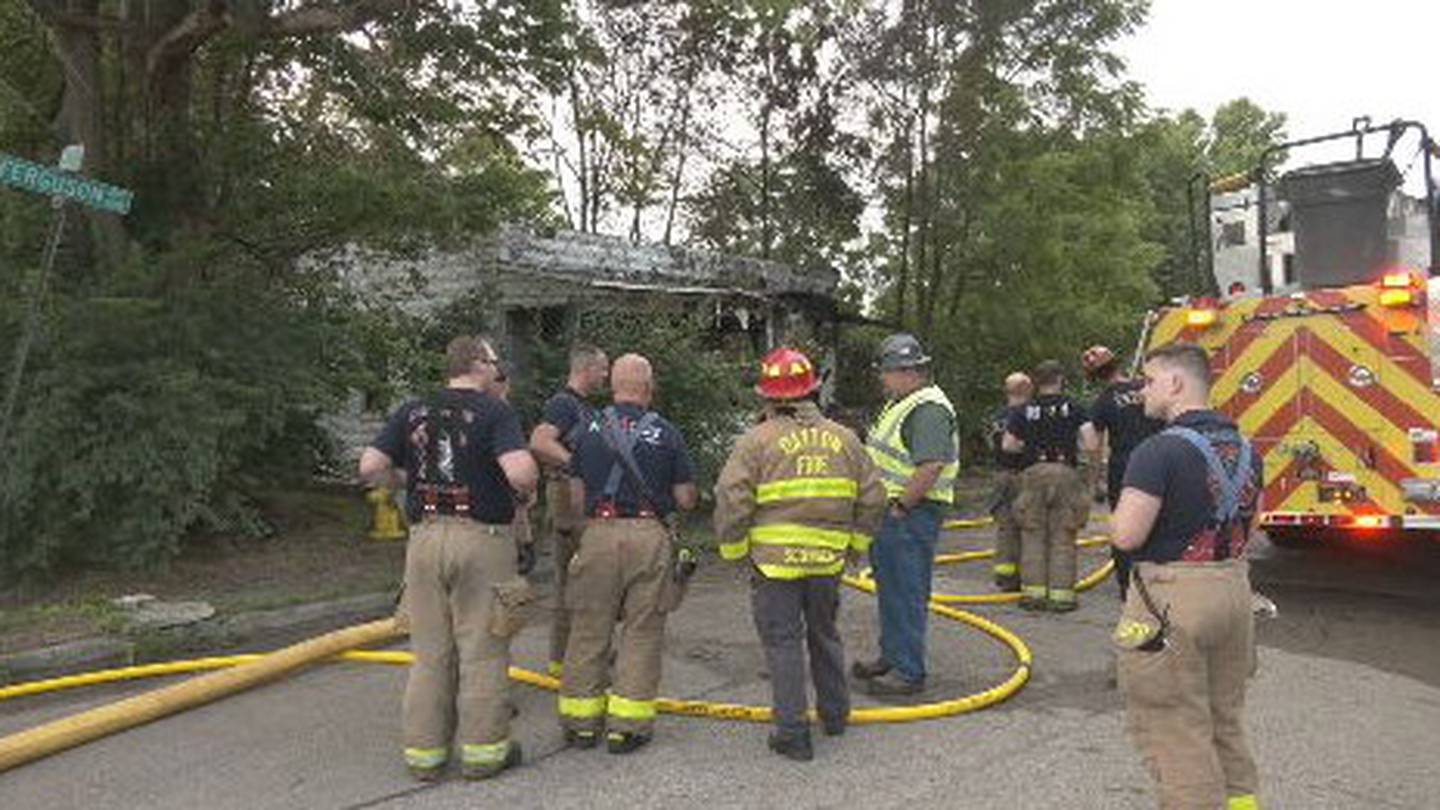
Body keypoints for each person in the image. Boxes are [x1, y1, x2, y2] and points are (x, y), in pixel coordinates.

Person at [358, 336, 538, 782]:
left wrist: (408, 479)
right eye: (494, 362)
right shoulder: (495, 412)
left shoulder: (413, 409)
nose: (498, 370)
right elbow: (519, 472)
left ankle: (425, 755)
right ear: (478, 364)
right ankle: (483, 754)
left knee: (430, 652)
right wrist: (525, 485)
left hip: (423, 540)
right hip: (481, 539)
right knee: (482, 648)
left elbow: (369, 467)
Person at [714, 347, 886, 761]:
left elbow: (732, 498)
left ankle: (792, 732)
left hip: (774, 565)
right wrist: (855, 547)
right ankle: (836, 714)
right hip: (827, 562)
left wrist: (736, 551)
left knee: (783, 641)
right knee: (825, 634)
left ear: (767, 396)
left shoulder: (756, 441)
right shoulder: (845, 439)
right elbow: (874, 497)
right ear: (813, 389)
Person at [1111, 342, 1263, 810]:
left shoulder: (1156, 451)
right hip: (1234, 591)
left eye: (1150, 381)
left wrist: (1111, 513)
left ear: (1176, 383)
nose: (1142, 392)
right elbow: (1252, 526)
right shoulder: (1246, 447)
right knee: (1225, 719)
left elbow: (1127, 536)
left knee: (1175, 728)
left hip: (1173, 599)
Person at [558, 354, 698, 754]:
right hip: (648, 536)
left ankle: (580, 724)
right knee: (642, 629)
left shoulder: (587, 429)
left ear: (613, 385)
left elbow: (577, 494)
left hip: (598, 534)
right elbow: (686, 499)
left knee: (588, 628)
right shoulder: (667, 433)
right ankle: (626, 727)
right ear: (649, 388)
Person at [854, 333, 959, 696]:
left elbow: (930, 466)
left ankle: (908, 671)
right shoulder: (905, 402)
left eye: (885, 371)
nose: (881, 378)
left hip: (909, 514)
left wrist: (901, 507)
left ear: (904, 371)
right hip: (896, 513)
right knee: (892, 589)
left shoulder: (926, 409)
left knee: (906, 592)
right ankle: (892, 657)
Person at [529, 344, 610, 677]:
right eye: (602, 368)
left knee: (589, 576)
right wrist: (579, 465)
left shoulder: (585, 407)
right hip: (566, 497)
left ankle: (582, 652)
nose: (606, 375)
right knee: (571, 578)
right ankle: (563, 660)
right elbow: (540, 441)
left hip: (581, 496)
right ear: (586, 369)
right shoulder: (563, 404)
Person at [1003, 360, 1098, 612]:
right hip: (1066, 473)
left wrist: (1030, 447)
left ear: (1035, 382)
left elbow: (1008, 446)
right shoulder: (1076, 408)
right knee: (1063, 537)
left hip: (1032, 474)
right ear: (1060, 379)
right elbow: (1090, 443)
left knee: (1032, 535)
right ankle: (1062, 597)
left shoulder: (1023, 410)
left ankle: (1033, 596)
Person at [1083, 344, 1164, 600]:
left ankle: (1128, 586)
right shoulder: (1148, 389)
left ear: (1095, 377)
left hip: (1125, 469)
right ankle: (1160, 582)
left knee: (1124, 525)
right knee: (1160, 521)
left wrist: (1093, 482)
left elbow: (1093, 446)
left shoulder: (1103, 401)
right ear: (1118, 365)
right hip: (1159, 464)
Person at [990, 372, 1034, 592]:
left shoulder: (998, 416)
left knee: (1005, 527)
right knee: (1029, 526)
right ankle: (1028, 576)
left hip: (1000, 475)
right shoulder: (1027, 414)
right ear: (1028, 390)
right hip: (1023, 474)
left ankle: (1005, 576)